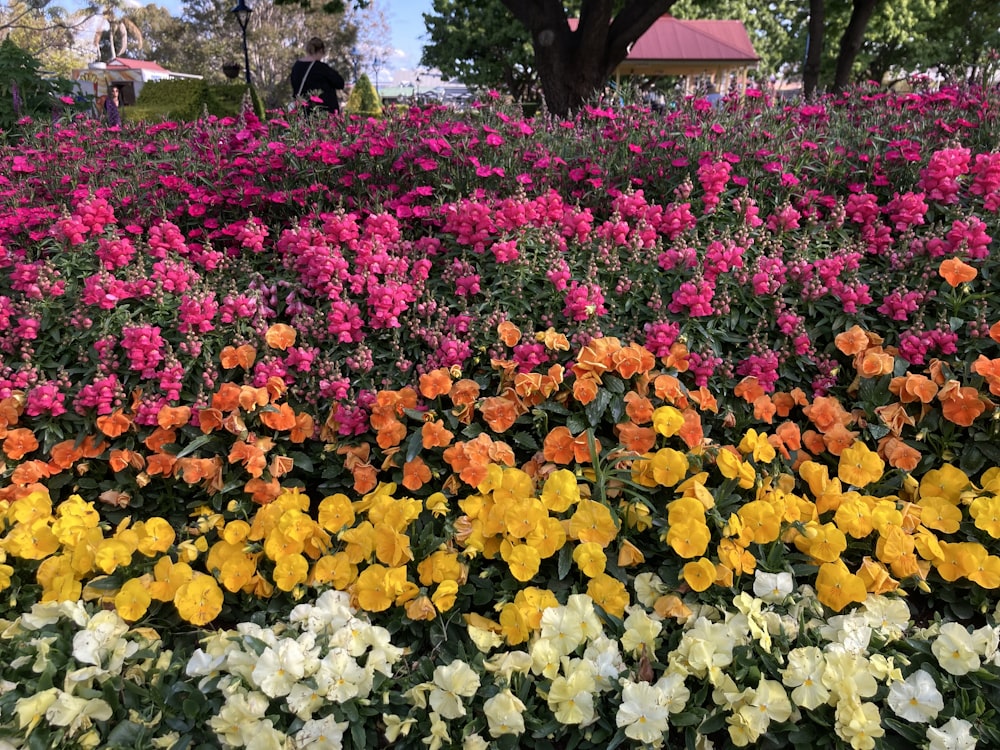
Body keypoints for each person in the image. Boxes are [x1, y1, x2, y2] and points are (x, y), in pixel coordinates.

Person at [290, 37, 345, 114]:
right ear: (321, 51)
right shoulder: (322, 68)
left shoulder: (296, 67)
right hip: (322, 113)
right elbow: (340, 83)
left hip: (302, 112)